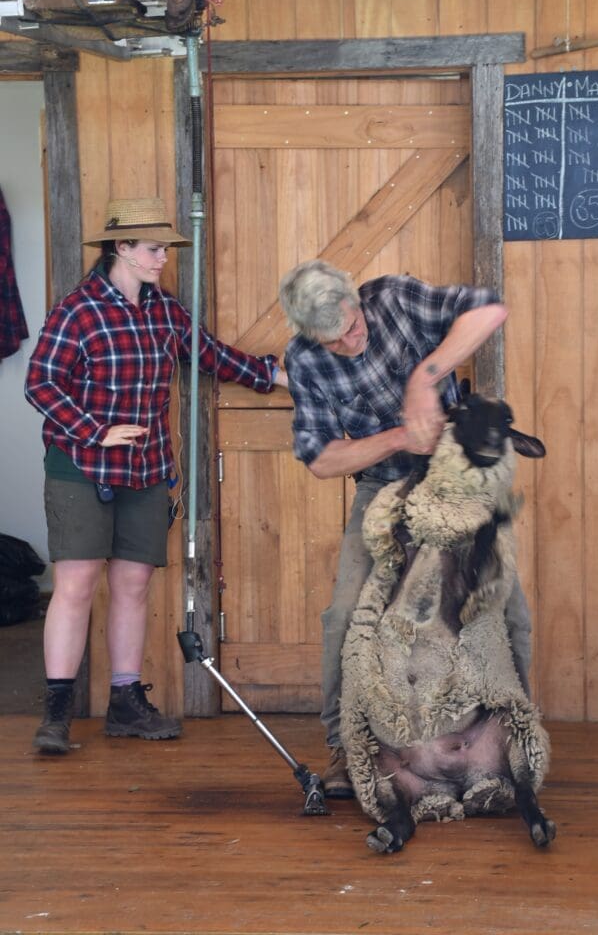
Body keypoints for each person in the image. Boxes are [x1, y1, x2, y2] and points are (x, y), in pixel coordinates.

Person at [26, 197, 288, 755]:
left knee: (133, 584)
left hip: (146, 471)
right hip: (81, 467)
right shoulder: (78, 310)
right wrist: (95, 430)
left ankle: (125, 702)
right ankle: (56, 715)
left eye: (165, 248)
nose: (162, 258)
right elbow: (41, 385)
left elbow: (209, 355)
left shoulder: (164, 310)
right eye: (153, 248)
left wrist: (275, 376)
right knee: (74, 587)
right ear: (121, 248)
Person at [279, 259, 532, 798]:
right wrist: (397, 438)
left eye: (352, 327)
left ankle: (514, 745)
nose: (349, 342)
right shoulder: (304, 361)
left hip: (456, 479)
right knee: (346, 613)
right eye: (334, 341)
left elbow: (490, 309)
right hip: (383, 490)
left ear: (356, 299)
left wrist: (426, 375)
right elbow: (322, 458)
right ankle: (348, 753)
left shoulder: (393, 299)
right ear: (307, 336)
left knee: (507, 607)